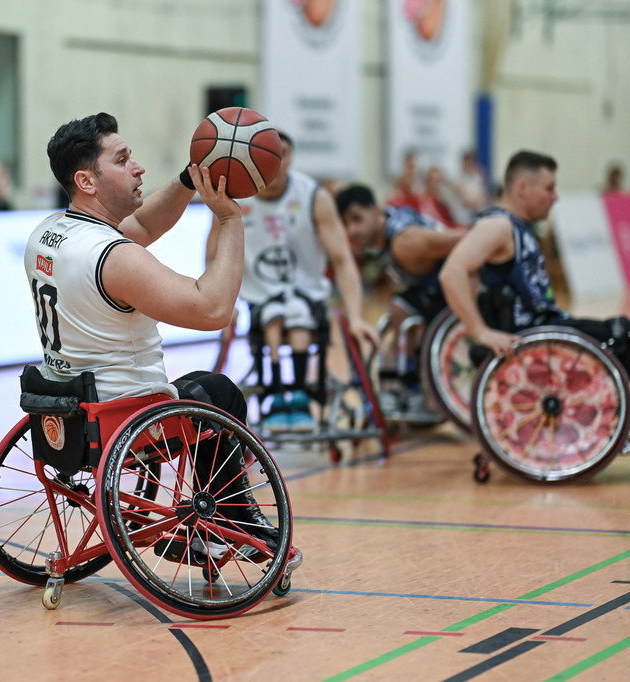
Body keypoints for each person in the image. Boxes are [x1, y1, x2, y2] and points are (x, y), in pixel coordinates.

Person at [26, 112, 276, 552]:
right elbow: (213, 307)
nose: (138, 167)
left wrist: (187, 180)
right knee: (220, 392)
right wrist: (231, 222)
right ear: (87, 181)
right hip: (128, 420)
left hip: (67, 414)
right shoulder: (115, 258)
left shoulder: (49, 232)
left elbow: (141, 228)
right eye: (122, 160)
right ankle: (219, 527)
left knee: (203, 388)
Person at [205, 132, 379, 433]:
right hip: (258, 297)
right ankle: (274, 397)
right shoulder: (234, 196)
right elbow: (212, 256)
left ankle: (299, 398)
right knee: (271, 318)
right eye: (266, 153)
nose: (274, 160)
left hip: (307, 295)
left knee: (299, 316)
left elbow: (342, 260)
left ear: (291, 157)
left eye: (281, 152)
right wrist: (219, 303)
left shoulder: (314, 196)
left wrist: (356, 316)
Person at [439, 150, 630, 370]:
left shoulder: (519, 226)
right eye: (549, 189)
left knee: (620, 329)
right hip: (534, 335)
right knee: (622, 333)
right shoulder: (498, 225)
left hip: (548, 326)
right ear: (522, 188)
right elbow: (452, 273)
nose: (555, 197)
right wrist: (481, 332)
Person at [336, 183, 466, 413]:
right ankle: (400, 384)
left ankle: (410, 387)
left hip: (463, 292)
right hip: (437, 292)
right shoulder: (388, 236)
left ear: (376, 213)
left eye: (356, 219)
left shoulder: (404, 243)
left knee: (402, 313)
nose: (351, 231)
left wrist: (488, 233)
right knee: (399, 309)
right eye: (345, 224)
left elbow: (463, 240)